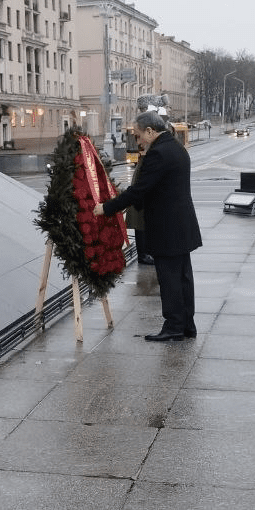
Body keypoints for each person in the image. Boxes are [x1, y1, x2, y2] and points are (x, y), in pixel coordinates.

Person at [94, 111, 202, 342]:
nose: (138, 140)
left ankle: (174, 326)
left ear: (151, 131)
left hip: (167, 228)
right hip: (182, 225)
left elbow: (139, 190)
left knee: (170, 279)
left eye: (138, 135)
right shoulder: (176, 148)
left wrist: (108, 207)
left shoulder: (158, 153)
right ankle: (186, 325)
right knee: (183, 278)